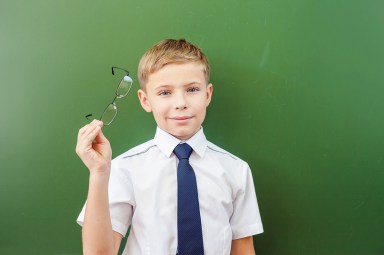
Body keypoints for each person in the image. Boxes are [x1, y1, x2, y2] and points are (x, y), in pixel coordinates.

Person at [76, 39, 263, 255]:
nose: (180, 102)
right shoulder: (124, 169)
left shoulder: (236, 170)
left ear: (207, 94)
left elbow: (243, 249)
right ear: (145, 100)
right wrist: (99, 173)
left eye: (192, 89)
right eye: (165, 93)